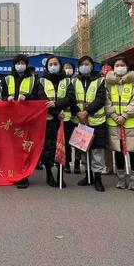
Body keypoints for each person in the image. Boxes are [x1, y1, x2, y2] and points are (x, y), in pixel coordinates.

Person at [1, 54, 45, 188]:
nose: (20, 65)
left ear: (26, 64)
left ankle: (24, 176)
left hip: (27, 119)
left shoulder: (34, 80)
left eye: (23, 62)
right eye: (18, 62)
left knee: (25, 148)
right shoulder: (7, 79)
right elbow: (2, 95)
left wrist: (27, 97)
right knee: (12, 148)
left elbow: (40, 97)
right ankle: (13, 172)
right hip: (11, 120)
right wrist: (6, 98)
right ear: (14, 65)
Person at [105, 57, 134, 191]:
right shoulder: (108, 83)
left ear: (127, 67)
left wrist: (125, 115)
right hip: (114, 122)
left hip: (131, 122)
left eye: (122, 65)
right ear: (113, 68)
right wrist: (114, 115)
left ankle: (133, 179)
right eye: (117, 65)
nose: (120, 67)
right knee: (118, 151)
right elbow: (106, 101)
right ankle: (121, 179)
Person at [67, 55, 107, 192]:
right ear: (79, 66)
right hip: (79, 121)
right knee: (83, 150)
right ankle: (87, 176)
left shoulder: (100, 80)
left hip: (96, 122)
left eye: (87, 64)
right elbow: (71, 98)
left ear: (91, 66)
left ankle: (98, 179)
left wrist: (87, 112)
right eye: (82, 64)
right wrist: (78, 112)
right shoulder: (73, 81)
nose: (85, 66)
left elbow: (101, 99)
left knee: (96, 152)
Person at [39, 55, 72, 187]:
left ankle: (60, 175)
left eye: (55, 63)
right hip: (48, 120)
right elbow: (42, 99)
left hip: (64, 121)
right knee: (48, 148)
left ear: (60, 65)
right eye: (50, 64)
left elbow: (70, 98)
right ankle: (49, 175)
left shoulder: (67, 81)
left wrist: (57, 105)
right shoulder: (41, 81)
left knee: (63, 148)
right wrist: (57, 112)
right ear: (47, 66)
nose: (53, 66)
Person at [63, 62, 79, 174]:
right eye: (66, 68)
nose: (68, 69)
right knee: (67, 142)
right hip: (66, 117)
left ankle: (77, 163)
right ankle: (67, 163)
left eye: (70, 67)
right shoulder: (62, 81)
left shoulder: (78, 80)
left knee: (78, 142)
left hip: (78, 116)